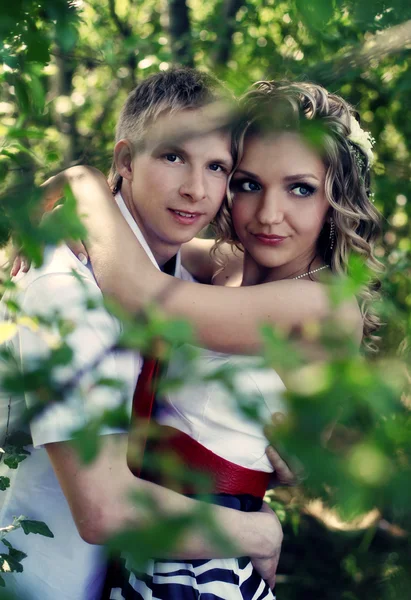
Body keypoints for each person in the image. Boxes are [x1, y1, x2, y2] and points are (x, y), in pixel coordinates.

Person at [38, 80, 382, 599]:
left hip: (205, 564)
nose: (268, 215)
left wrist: (83, 184)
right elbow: (145, 241)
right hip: (152, 541)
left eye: (300, 188)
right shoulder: (231, 266)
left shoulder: (320, 304)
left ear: (339, 199)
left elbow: (144, 294)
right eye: (247, 184)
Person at [0, 68, 284, 600]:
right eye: (173, 156)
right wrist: (260, 532)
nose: (195, 189)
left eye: (216, 166)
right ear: (126, 161)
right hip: (38, 578)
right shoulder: (66, 285)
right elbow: (104, 507)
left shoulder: (174, 275)